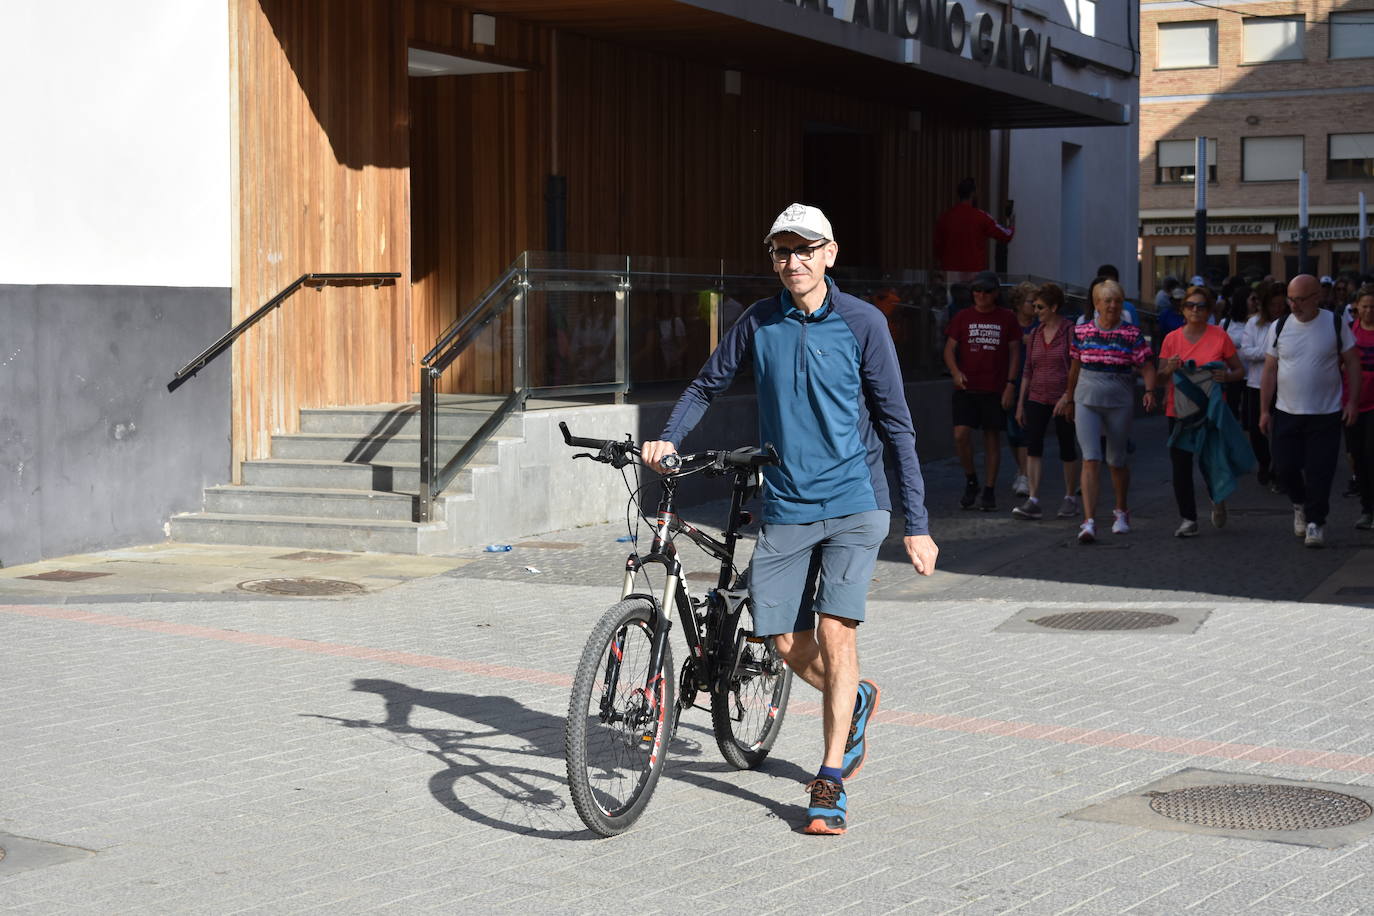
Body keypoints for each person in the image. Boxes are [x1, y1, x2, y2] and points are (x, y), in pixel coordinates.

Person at [642, 203, 938, 836]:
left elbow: (897, 423)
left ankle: (827, 780)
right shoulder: (758, 322)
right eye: (781, 251)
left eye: (805, 249)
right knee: (779, 639)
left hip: (857, 503)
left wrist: (917, 521)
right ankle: (853, 697)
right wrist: (668, 438)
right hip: (785, 504)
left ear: (830, 252)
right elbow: (704, 386)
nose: (793, 261)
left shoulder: (864, 324)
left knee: (836, 630)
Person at [1259, 274, 1363, 548]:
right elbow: (1269, 371)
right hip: (1286, 411)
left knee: (1320, 470)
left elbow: (1353, 363)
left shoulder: (1335, 323)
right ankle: (1299, 504)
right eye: (1291, 299)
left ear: (1317, 297)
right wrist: (1264, 410)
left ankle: (1316, 522)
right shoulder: (1279, 326)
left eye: (1300, 299)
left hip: (1325, 413)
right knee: (1284, 468)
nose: (1293, 305)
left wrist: (1352, 401)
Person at [1063, 279, 1158, 543]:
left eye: (1117, 300)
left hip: (1119, 400)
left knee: (1116, 460)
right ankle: (1089, 521)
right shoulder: (1081, 332)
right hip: (1086, 399)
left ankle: (1121, 511)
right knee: (1091, 458)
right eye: (1107, 300)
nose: (1113, 305)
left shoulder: (1131, 334)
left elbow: (1147, 365)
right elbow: (1074, 369)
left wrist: (1150, 391)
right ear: (1096, 304)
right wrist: (1069, 399)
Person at [1158, 286, 1246, 536]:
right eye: (1190, 306)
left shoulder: (1219, 336)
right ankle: (1188, 519)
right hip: (1178, 411)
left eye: (1201, 306)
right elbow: (1161, 377)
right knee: (1181, 466)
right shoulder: (1171, 338)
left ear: (1209, 311)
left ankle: (1218, 498)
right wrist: (1170, 369)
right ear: (1182, 309)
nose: (1195, 310)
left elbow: (1240, 370)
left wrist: (1226, 377)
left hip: (1211, 410)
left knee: (1211, 462)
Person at [943, 270, 1021, 511]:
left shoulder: (1007, 317)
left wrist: (1010, 384)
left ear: (996, 293)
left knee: (991, 439)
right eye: (977, 291)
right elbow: (949, 349)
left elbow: (1015, 352)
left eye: (986, 291)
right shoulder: (963, 317)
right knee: (960, 434)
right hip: (967, 386)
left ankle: (989, 489)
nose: (981, 295)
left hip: (994, 387)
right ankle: (971, 479)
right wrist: (955, 371)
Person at [1012, 283, 1080, 521]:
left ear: (1054, 307)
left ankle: (1070, 497)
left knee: (1067, 447)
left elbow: (1075, 366)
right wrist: (1021, 403)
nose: (1036, 310)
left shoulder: (1070, 331)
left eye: (1040, 306)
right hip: (1037, 396)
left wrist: (1068, 396)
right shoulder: (1036, 334)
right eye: (1034, 305)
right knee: (1033, 446)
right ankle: (1033, 499)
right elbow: (1028, 370)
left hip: (1063, 397)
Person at [1239, 281, 1286, 487]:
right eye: (1274, 304)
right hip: (1256, 383)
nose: (1278, 309)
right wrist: (1270, 352)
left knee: (1281, 429)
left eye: (1281, 304)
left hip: (1283, 383)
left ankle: (1279, 468)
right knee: (1256, 429)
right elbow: (1246, 352)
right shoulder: (1254, 323)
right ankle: (1264, 462)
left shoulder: (1288, 322)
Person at [933, 177, 1014, 285]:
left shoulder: (945, 217)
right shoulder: (981, 216)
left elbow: (937, 249)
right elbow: (1006, 236)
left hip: (949, 276)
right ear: (973, 194)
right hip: (974, 277)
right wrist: (1011, 224)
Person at [1007, 280, 1039, 497]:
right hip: (1011, 379)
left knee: (1024, 428)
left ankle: (1025, 475)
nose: (1034, 307)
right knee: (1011, 431)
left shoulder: (1038, 325)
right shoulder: (1010, 324)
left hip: (1033, 381)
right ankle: (1021, 470)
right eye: (1031, 302)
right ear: (1019, 303)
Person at [1346, 284, 1374, 529]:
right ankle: (1367, 509)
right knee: (1358, 457)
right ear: (1357, 308)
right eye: (1364, 306)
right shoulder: (1349, 332)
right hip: (1353, 401)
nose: (1368, 311)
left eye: (1372, 307)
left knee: (1370, 452)